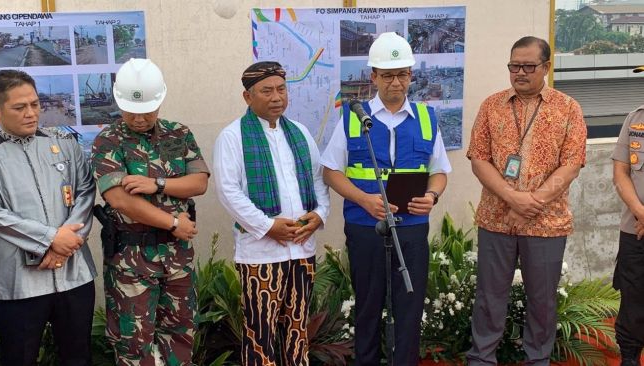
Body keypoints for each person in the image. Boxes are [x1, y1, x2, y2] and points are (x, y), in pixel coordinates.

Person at [321, 32, 451, 365]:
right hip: (366, 227)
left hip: (411, 228)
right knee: (367, 305)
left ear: (411, 75)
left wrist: (432, 195)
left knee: (409, 307)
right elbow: (331, 172)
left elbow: (439, 171)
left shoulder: (426, 117)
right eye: (388, 75)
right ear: (373, 77)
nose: (396, 82)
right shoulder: (353, 117)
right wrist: (364, 199)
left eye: (403, 74)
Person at [466, 36, 587, 365]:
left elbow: (572, 162)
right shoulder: (491, 105)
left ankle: (537, 360)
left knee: (542, 301)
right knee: (489, 298)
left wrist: (532, 202)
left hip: (546, 223)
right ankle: (482, 359)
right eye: (513, 66)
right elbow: (478, 159)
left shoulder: (568, 108)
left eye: (528, 66)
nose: (519, 72)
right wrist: (512, 198)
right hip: (496, 220)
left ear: (546, 67)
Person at [91, 58, 209, 366]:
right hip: (132, 261)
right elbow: (120, 200)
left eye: (147, 111)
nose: (139, 118)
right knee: (134, 343)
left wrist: (156, 183)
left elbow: (198, 182)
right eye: (131, 111)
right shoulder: (108, 140)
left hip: (177, 258)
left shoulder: (177, 134)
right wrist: (173, 222)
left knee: (181, 334)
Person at [213, 61, 330, 365]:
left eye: (281, 89)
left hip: (302, 251)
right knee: (259, 333)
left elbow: (318, 179)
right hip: (261, 255)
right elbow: (228, 191)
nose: (277, 97)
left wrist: (319, 215)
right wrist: (267, 227)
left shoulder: (300, 132)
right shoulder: (233, 136)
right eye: (267, 91)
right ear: (247, 97)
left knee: (298, 330)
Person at [0, 69, 96, 365]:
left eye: (35, 105)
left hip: (74, 275)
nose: (31, 113)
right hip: (17, 282)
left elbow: (86, 191)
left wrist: (66, 242)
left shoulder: (63, 143)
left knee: (78, 357)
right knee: (18, 357)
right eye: (20, 107)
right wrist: (50, 239)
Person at [610, 64, 644, 366]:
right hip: (635, 228)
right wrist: (639, 211)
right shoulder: (634, 119)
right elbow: (621, 173)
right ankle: (630, 357)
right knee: (632, 298)